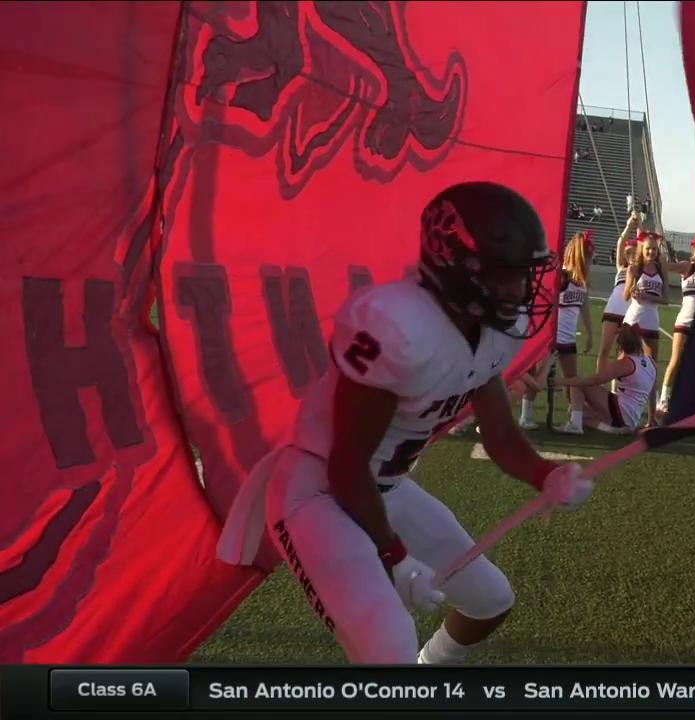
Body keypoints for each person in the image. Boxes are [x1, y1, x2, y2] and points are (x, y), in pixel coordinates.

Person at [215, 182, 594, 664]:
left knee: (490, 601)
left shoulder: (489, 330)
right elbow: (347, 466)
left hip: (385, 488)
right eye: (505, 275)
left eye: (524, 274)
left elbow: (499, 433)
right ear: (457, 268)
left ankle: (433, 665)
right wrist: (392, 555)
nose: (520, 290)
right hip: (317, 490)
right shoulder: (397, 328)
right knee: (387, 644)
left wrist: (546, 474)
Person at [518, 231, 594, 429]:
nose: (590, 263)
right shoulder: (562, 275)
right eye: (588, 258)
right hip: (550, 338)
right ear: (579, 256)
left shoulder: (582, 281)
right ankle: (526, 416)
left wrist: (590, 333)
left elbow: (584, 306)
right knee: (537, 376)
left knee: (573, 379)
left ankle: (575, 422)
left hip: (568, 339)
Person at [554, 324, 656, 434]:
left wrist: (561, 381)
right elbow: (653, 393)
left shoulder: (625, 363)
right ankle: (611, 429)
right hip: (633, 417)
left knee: (578, 383)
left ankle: (575, 426)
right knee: (578, 412)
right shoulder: (651, 363)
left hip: (622, 412)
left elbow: (594, 380)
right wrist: (651, 418)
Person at [622, 231, 669, 427]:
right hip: (633, 320)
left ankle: (650, 418)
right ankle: (621, 413)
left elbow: (666, 299)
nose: (651, 252)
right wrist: (633, 285)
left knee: (652, 370)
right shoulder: (635, 268)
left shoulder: (660, 269)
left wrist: (650, 297)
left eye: (654, 249)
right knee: (623, 365)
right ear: (642, 249)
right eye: (648, 249)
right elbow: (626, 296)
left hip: (651, 321)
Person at [657, 237, 695, 417]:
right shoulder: (687, 268)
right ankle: (663, 399)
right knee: (676, 360)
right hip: (683, 322)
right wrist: (661, 256)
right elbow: (666, 266)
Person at [598, 212, 642, 375]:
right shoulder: (621, 267)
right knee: (604, 351)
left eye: (634, 252)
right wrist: (630, 225)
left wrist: (640, 226)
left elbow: (644, 245)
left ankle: (616, 390)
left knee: (623, 355)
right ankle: (599, 379)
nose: (630, 255)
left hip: (629, 314)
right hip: (612, 309)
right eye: (628, 252)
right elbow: (620, 243)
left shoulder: (641, 268)